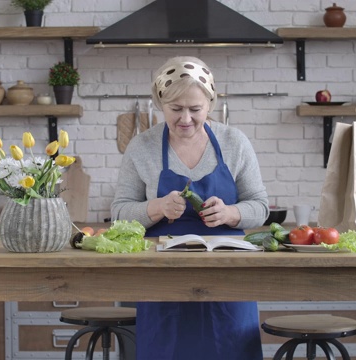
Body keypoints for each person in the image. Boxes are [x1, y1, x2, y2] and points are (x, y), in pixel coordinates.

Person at [111, 56, 269, 360]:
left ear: (210, 102)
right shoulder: (141, 147)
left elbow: (260, 206)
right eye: (175, 109)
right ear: (160, 103)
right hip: (162, 280)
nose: (186, 118)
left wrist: (230, 213)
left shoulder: (234, 142)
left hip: (228, 275)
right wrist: (155, 208)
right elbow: (119, 212)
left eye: (195, 109)